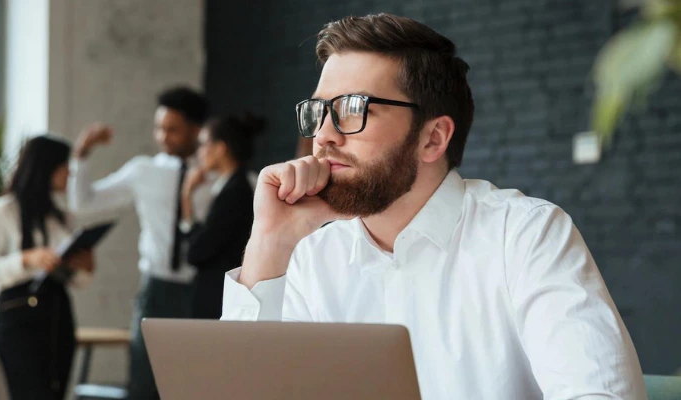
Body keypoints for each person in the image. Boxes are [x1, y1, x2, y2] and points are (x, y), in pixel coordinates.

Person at [220, 13, 647, 399]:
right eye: (319, 110)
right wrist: (271, 242)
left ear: (433, 139)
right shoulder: (315, 259)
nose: (325, 135)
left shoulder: (524, 236)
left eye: (353, 109)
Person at [68, 86, 211, 399]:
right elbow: (83, 204)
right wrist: (81, 155)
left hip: (203, 292)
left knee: (197, 386)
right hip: (156, 291)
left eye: (172, 129)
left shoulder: (215, 176)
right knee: (145, 386)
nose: (162, 137)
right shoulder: (143, 171)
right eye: (159, 128)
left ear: (196, 129)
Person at [0, 135, 94, 400]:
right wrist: (26, 259)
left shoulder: (62, 217)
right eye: (64, 165)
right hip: (17, 316)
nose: (69, 173)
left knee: (55, 394)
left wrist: (84, 267)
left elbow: (79, 281)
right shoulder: (2, 212)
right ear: (47, 167)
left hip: (57, 316)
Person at [180, 113, 265, 319]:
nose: (199, 152)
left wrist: (186, 198)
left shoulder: (235, 191)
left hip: (217, 298)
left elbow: (198, 252)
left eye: (203, 144)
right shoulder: (233, 186)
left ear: (220, 148)